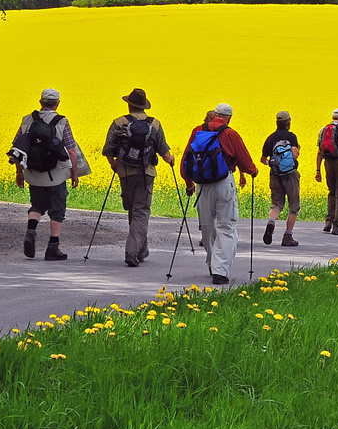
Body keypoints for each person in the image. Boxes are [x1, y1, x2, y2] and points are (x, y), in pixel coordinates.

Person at [181, 103, 258, 284]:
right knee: (226, 226)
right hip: (224, 183)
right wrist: (253, 171)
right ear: (229, 117)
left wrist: (189, 183)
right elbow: (246, 163)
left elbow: (186, 160)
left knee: (207, 225)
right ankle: (220, 271)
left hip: (202, 186)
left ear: (214, 115)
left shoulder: (198, 131)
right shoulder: (230, 134)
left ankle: (211, 262)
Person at [12, 88, 90, 261]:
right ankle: (52, 248)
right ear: (57, 103)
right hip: (56, 175)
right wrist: (75, 174)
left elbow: (18, 148)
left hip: (33, 173)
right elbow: (71, 150)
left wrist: (19, 172)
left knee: (37, 205)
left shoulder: (27, 119)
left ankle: (31, 231)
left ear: (40, 102)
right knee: (57, 210)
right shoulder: (62, 121)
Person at [102, 87, 175, 267]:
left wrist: (114, 164)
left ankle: (140, 250)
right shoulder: (155, 124)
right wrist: (172, 161)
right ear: (144, 106)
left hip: (125, 173)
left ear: (129, 105)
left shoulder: (119, 122)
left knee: (133, 210)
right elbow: (164, 151)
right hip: (146, 173)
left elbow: (108, 149)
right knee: (140, 212)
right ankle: (132, 251)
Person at [261, 110, 303, 247]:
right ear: (289, 123)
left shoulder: (271, 138)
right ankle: (288, 236)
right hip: (290, 174)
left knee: (277, 204)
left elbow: (263, 159)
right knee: (293, 207)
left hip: (275, 175)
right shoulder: (291, 136)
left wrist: (273, 165)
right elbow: (295, 155)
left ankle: (271, 222)